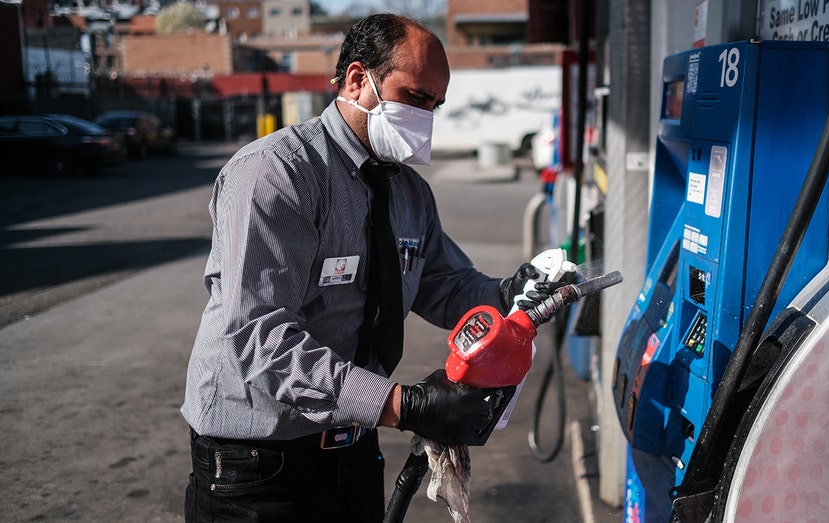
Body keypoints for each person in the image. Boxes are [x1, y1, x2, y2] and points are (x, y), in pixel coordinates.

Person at [181, 13, 557, 522]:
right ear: (358, 79)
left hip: (352, 446)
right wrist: (404, 405)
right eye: (416, 97)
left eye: (436, 104)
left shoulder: (407, 191)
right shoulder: (278, 175)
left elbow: (440, 283)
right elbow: (257, 337)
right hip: (259, 465)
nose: (427, 115)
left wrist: (510, 293)